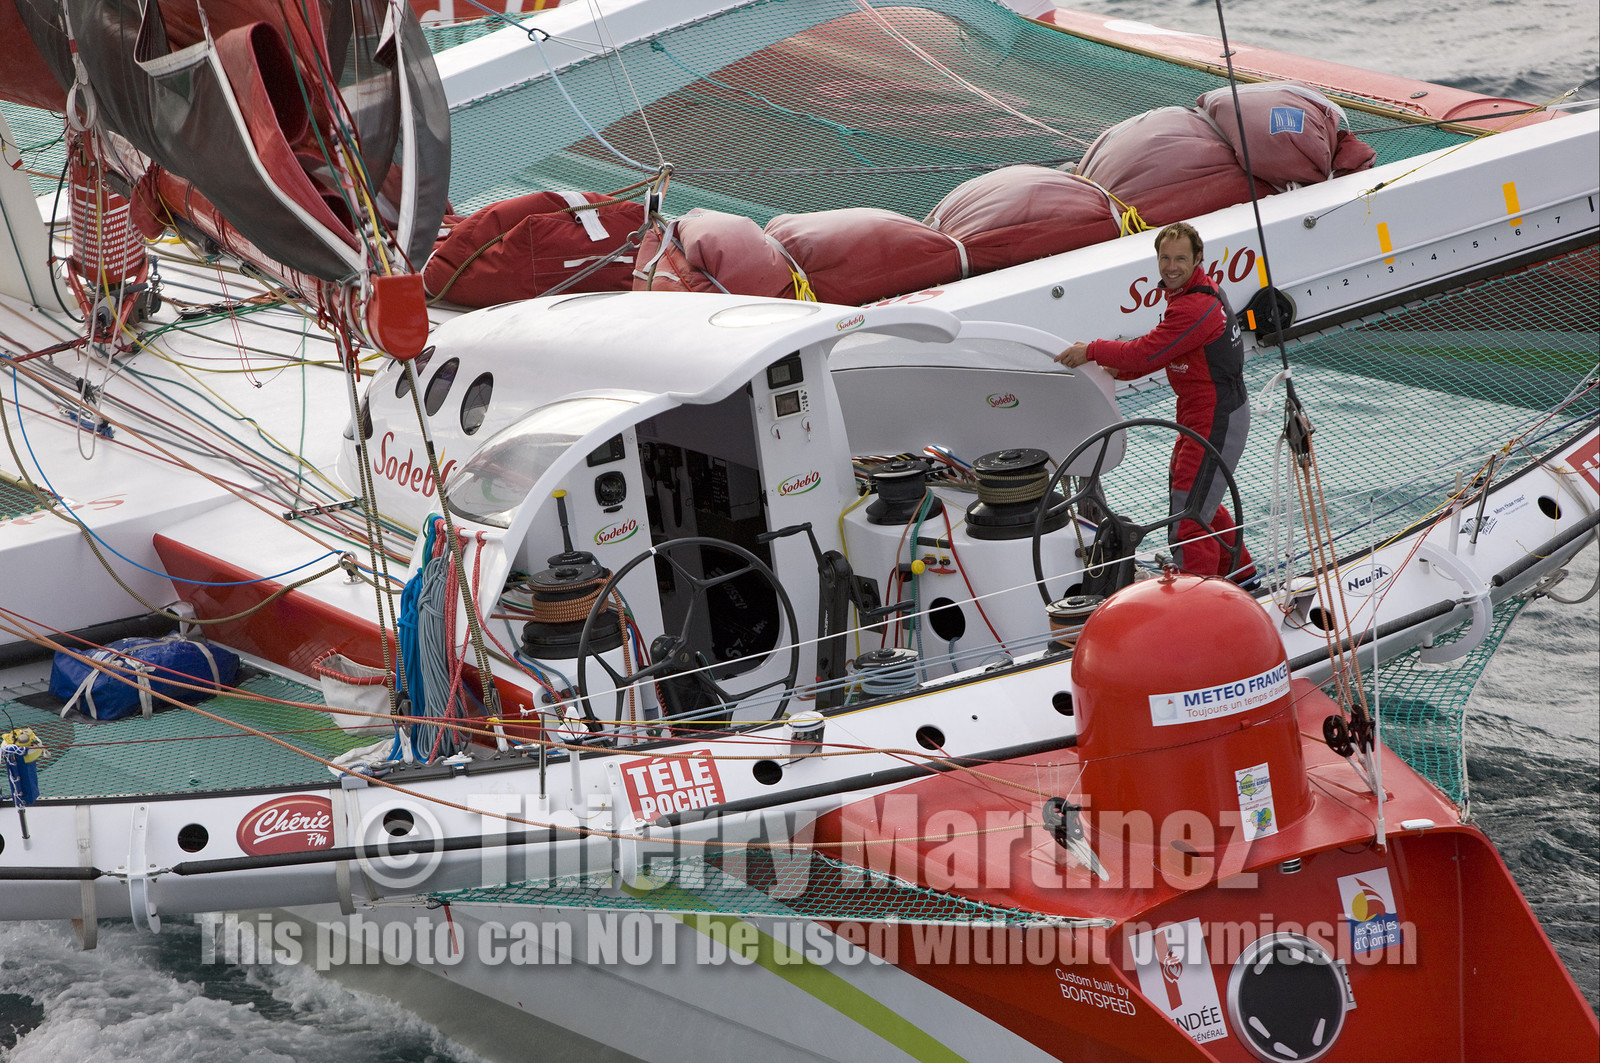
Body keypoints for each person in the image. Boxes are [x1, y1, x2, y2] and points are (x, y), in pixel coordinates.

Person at [1055, 222, 1255, 582]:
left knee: (1188, 514)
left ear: (1198, 259)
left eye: (1180, 259)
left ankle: (1198, 597)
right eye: (1165, 258)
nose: (1171, 267)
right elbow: (1168, 350)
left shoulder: (1196, 306)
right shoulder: (1191, 295)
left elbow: (1148, 351)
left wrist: (1092, 350)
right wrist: (1119, 370)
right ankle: (1243, 576)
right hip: (1203, 414)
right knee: (1197, 498)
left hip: (1216, 417)